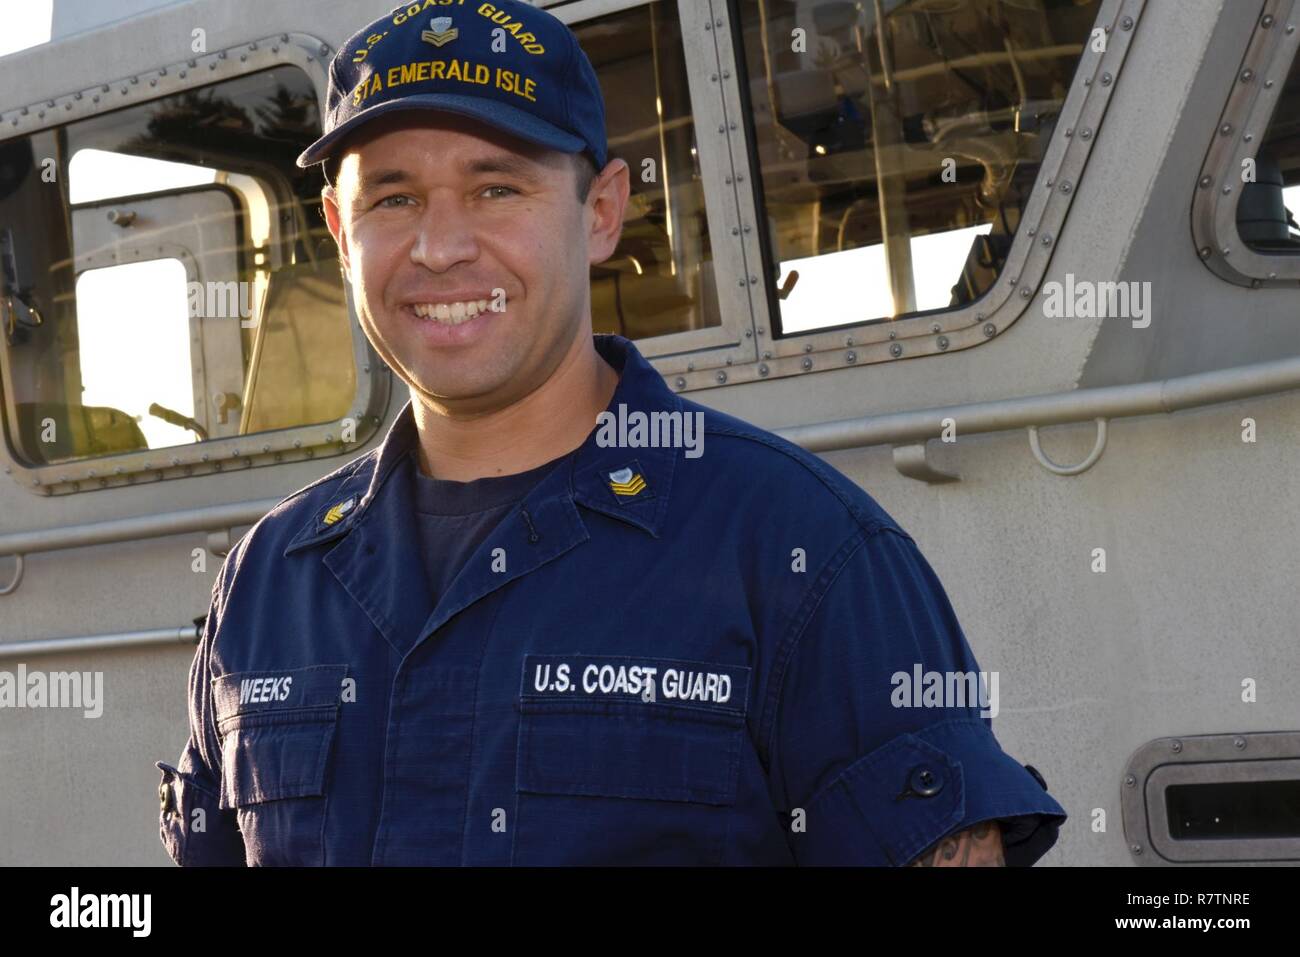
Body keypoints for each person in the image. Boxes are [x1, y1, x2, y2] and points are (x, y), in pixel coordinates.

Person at [156, 0, 1066, 866]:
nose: (440, 246)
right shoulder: (270, 582)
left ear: (599, 211)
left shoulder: (802, 549)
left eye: (496, 186)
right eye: (392, 199)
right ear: (339, 232)